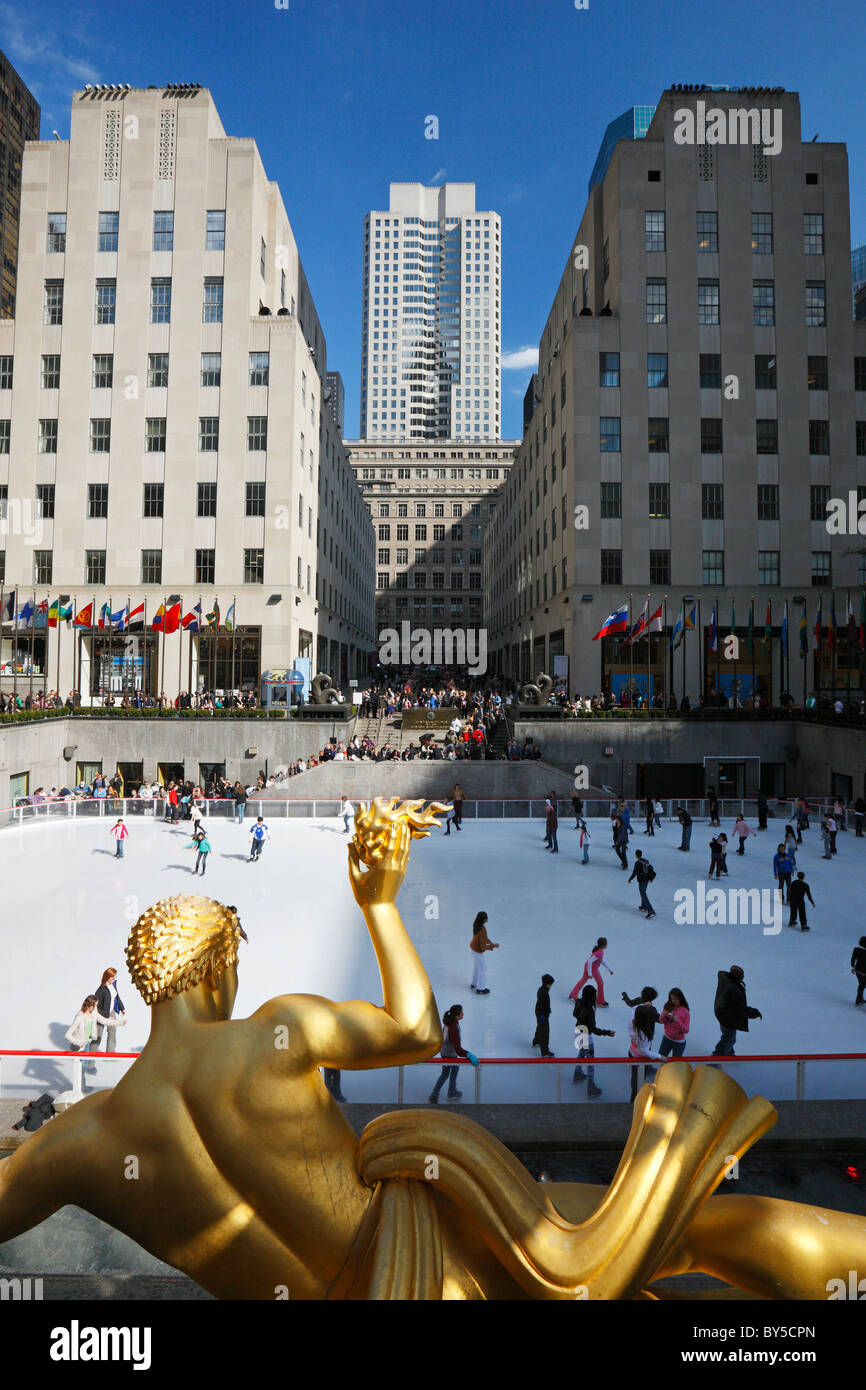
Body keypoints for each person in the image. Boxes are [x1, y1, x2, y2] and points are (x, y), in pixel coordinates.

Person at [572, 985, 614, 1099]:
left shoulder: (578, 1002)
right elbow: (593, 1029)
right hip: (586, 1035)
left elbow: (574, 1014)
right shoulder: (589, 1010)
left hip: (578, 1031)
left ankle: (577, 1074)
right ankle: (590, 1087)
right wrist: (607, 1032)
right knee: (591, 1061)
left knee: (581, 1052)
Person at [429, 1004, 476, 1103]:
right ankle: (436, 1093)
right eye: (461, 1013)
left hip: (446, 1051)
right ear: (456, 1016)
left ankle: (451, 1091)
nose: (463, 1014)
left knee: (454, 1068)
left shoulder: (450, 1021)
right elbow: (458, 1049)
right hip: (449, 1054)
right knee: (446, 1073)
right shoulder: (453, 1027)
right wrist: (469, 1055)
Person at [712, 965, 762, 1057]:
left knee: (727, 1036)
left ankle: (729, 1054)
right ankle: (716, 1058)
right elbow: (741, 1009)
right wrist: (755, 1013)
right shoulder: (734, 990)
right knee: (729, 1038)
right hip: (728, 1018)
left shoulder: (724, 978)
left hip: (720, 1011)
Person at [629, 1004, 663, 1102]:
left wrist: (642, 1004)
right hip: (639, 1058)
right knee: (637, 1080)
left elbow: (633, 1008)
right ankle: (634, 1100)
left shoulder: (634, 1024)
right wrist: (659, 1056)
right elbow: (644, 1051)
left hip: (632, 1052)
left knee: (636, 1076)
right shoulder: (643, 1033)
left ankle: (635, 1092)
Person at [569, 939, 612, 1008]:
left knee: (583, 980)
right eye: (606, 944)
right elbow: (590, 961)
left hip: (588, 966)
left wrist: (609, 970)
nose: (607, 945)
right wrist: (590, 973)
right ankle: (600, 1001)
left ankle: (573, 995)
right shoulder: (599, 952)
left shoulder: (600, 951)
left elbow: (601, 961)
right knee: (600, 983)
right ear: (603, 945)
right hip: (592, 969)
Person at [64, 995, 101, 1074]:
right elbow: (67, 1035)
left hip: (86, 1044)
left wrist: (119, 1022)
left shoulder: (92, 1014)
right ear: (90, 1005)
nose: (96, 1007)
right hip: (79, 1047)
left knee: (83, 1067)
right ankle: (80, 1086)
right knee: (80, 1068)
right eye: (95, 1005)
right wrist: (79, 1043)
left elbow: (102, 1021)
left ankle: (83, 1085)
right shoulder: (79, 1016)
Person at [94, 968, 127, 1054]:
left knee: (112, 1031)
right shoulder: (101, 989)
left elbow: (116, 997)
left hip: (111, 1010)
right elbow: (96, 1006)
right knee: (98, 1036)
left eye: (114, 977)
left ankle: (110, 1052)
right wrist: (106, 1016)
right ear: (106, 977)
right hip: (101, 1014)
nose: (113, 979)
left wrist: (122, 1008)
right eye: (111, 977)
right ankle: (90, 1054)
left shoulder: (113, 985)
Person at [469, 911, 499, 995]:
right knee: (483, 969)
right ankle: (480, 988)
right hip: (477, 952)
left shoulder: (477, 925)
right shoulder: (482, 929)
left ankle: (474, 984)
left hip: (473, 949)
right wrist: (493, 946)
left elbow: (484, 938)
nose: (487, 919)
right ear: (483, 919)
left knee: (477, 966)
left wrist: (491, 943)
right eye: (486, 918)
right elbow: (483, 946)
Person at [658, 989, 690, 1059]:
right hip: (666, 1038)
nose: (672, 1001)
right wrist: (663, 1015)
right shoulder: (667, 1006)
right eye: (671, 998)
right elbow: (661, 1020)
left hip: (679, 1042)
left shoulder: (685, 1011)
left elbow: (686, 1030)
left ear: (680, 999)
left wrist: (677, 1020)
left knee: (676, 1063)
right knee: (660, 1059)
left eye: (675, 999)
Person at [628, 850, 656, 918]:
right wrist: (651, 879)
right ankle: (644, 906)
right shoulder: (646, 860)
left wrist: (630, 879)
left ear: (636, 855)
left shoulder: (637, 863)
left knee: (643, 894)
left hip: (642, 880)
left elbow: (634, 873)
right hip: (646, 880)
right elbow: (650, 870)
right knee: (643, 893)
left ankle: (651, 910)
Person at [532, 975, 555, 1057]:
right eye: (551, 984)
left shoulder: (542, 990)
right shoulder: (544, 993)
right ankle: (545, 1052)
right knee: (545, 1032)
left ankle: (536, 1041)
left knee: (540, 1027)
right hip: (542, 1014)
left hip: (541, 1013)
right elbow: (541, 1006)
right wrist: (542, 1016)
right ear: (547, 984)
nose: (551, 986)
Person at [851, 936, 866, 1006]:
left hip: (858, 971)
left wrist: (853, 967)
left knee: (861, 984)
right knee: (862, 984)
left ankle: (859, 998)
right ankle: (859, 998)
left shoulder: (856, 950)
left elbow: (853, 959)